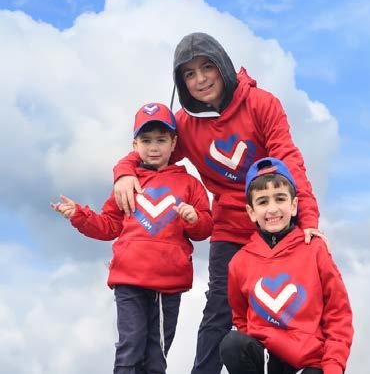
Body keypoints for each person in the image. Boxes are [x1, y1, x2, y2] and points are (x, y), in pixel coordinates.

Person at [112, 32, 324, 374]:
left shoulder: (262, 104)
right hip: (229, 225)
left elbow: (288, 159)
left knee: (283, 306)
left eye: (207, 67)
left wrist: (308, 218)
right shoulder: (184, 125)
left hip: (274, 220)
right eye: (189, 74)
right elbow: (152, 153)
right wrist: (123, 172)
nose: (200, 79)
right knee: (219, 307)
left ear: (222, 65)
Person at [51, 102, 213, 374]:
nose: (153, 147)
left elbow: (204, 229)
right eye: (146, 140)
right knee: (130, 346)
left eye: (161, 140)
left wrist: (194, 219)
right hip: (129, 279)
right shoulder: (126, 184)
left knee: (156, 355)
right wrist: (79, 215)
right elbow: (108, 226)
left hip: (167, 284)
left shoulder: (190, 184)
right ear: (134, 144)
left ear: (174, 143)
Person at [220, 157, 353, 374]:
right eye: (263, 202)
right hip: (266, 359)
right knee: (232, 343)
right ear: (251, 212)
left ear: (293, 206)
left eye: (280, 198)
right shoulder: (240, 262)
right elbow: (241, 318)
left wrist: (333, 367)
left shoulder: (315, 250)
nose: (272, 209)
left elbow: (338, 314)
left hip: (308, 363)